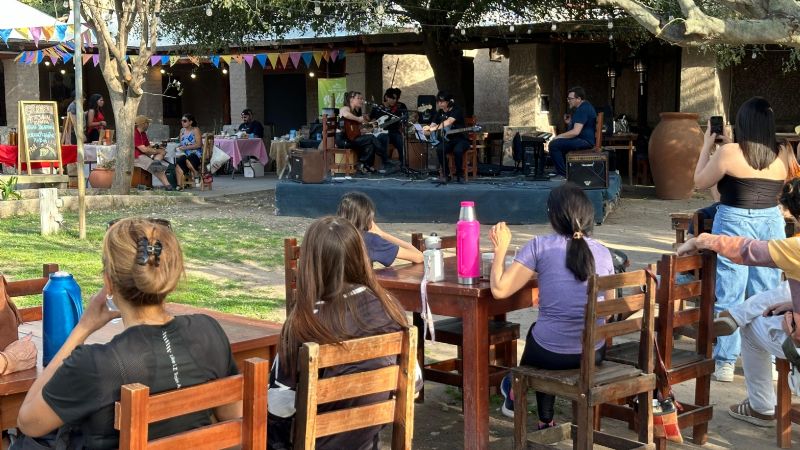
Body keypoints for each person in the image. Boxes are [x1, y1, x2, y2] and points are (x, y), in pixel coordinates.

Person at [14, 218, 240, 449]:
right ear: (169, 276)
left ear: (109, 283)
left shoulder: (95, 364)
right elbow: (233, 417)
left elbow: (28, 423)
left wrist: (82, 328)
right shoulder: (208, 332)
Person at [268, 216, 414, 450]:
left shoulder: (303, 322)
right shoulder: (389, 308)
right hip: (367, 441)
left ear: (310, 264)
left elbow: (279, 405)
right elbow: (414, 384)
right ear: (360, 256)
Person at [677, 177, 800, 427]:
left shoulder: (795, 248)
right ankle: (738, 315)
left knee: (751, 328)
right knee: (782, 292)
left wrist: (702, 240)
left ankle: (761, 407)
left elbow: (747, 250)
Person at [489, 183, 614, 428]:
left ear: (553, 216)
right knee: (544, 334)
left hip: (550, 354)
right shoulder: (604, 252)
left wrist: (500, 250)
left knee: (540, 335)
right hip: (593, 353)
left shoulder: (540, 246)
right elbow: (608, 312)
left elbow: (500, 290)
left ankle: (523, 398)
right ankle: (522, 398)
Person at [693, 96, 790, 382]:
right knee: (766, 292)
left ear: (743, 123)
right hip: (770, 221)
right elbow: (725, 192)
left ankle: (725, 361)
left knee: (730, 290)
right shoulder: (782, 153)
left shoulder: (729, 153)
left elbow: (700, 182)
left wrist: (707, 146)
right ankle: (768, 358)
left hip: (733, 219)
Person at [336, 191, 423, 266]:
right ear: (367, 217)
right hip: (359, 281)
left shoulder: (331, 233)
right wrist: (381, 233)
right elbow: (419, 257)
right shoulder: (370, 240)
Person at [547, 87, 596, 179]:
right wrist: (569, 123)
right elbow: (578, 128)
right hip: (584, 139)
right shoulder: (585, 106)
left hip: (585, 141)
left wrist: (558, 136)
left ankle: (562, 174)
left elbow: (575, 132)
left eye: (570, 99)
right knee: (559, 144)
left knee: (554, 145)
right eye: (568, 98)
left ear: (578, 99)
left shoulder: (583, 109)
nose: (568, 101)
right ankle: (563, 170)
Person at [339, 91, 389, 175]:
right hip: (343, 140)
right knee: (371, 138)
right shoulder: (345, 108)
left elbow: (357, 129)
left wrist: (368, 128)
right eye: (359, 98)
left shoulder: (357, 111)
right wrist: (358, 119)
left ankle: (365, 165)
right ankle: (386, 160)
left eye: (362, 99)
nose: (361, 101)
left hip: (352, 138)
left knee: (370, 143)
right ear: (351, 99)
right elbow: (345, 114)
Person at [426, 91, 470, 184]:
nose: (439, 104)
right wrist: (428, 129)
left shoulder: (456, 110)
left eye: (442, 101)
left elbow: (449, 121)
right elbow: (433, 123)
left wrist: (433, 128)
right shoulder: (440, 112)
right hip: (448, 140)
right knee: (439, 149)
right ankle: (446, 175)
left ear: (449, 102)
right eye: (438, 102)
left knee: (458, 150)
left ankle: (460, 175)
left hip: (461, 139)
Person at [133, 115, 175, 190]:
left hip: (142, 155)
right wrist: (157, 151)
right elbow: (144, 150)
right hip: (135, 157)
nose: (148, 125)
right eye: (147, 123)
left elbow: (148, 147)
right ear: (143, 124)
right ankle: (168, 186)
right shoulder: (135, 133)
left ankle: (156, 162)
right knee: (157, 168)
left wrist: (158, 149)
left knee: (162, 153)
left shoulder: (143, 133)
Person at [370, 88, 408, 166]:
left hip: (394, 132)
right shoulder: (378, 108)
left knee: (399, 139)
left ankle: (403, 164)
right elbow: (372, 119)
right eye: (393, 98)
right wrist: (374, 127)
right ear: (386, 97)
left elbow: (404, 121)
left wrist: (404, 119)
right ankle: (385, 164)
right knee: (384, 137)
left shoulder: (398, 108)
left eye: (396, 98)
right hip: (380, 133)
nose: (395, 100)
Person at [176, 113, 203, 183]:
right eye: (181, 121)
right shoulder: (182, 130)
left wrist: (186, 148)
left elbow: (199, 145)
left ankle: (195, 173)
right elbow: (181, 143)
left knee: (188, 160)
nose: (182, 122)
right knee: (179, 161)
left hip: (195, 153)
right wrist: (179, 147)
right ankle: (180, 184)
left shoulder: (195, 130)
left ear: (190, 122)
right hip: (184, 153)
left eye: (185, 121)